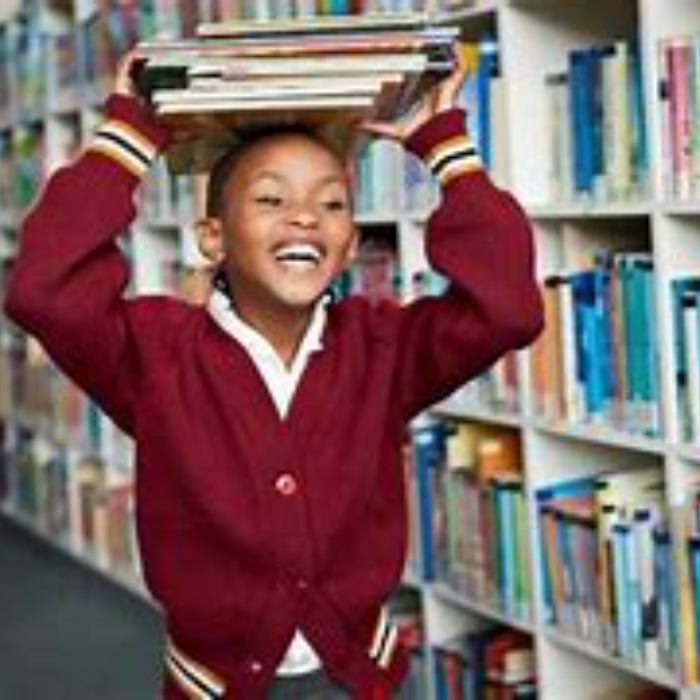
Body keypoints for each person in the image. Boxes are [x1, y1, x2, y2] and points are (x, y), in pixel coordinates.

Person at [4, 47, 543, 700]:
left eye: (333, 204)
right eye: (269, 198)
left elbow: (508, 308)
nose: (305, 216)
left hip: (360, 676)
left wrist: (446, 148)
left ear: (349, 245)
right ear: (212, 238)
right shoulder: (154, 355)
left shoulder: (384, 349)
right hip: (212, 684)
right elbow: (45, 290)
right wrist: (128, 137)